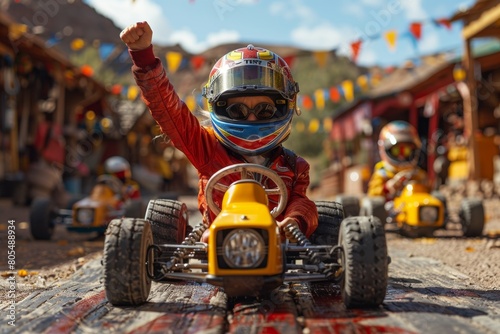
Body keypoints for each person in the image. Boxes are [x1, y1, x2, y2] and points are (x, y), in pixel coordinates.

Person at [120, 21, 318, 242]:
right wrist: (143, 56)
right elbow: (168, 111)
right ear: (218, 107)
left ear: (285, 106)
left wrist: (294, 221)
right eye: (237, 110)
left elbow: (302, 202)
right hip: (216, 242)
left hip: (278, 242)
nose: (251, 118)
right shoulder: (206, 147)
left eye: (264, 111)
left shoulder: (295, 166)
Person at [367, 120, 428, 200]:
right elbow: (372, 196)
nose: (401, 156)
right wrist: (387, 187)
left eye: (406, 151)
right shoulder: (383, 174)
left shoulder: (418, 174)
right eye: (396, 151)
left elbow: (429, 190)